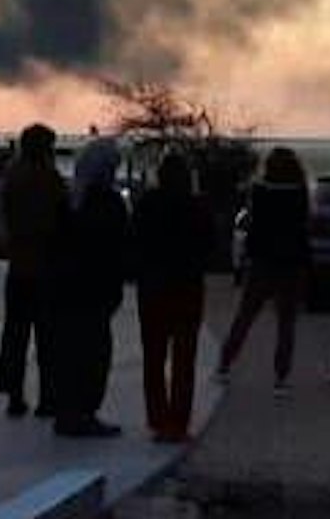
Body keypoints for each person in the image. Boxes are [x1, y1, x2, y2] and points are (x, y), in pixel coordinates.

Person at [47, 134, 130, 437]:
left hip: (70, 291)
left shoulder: (70, 202)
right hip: (94, 293)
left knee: (72, 354)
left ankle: (69, 410)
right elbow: (118, 249)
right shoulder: (108, 204)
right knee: (93, 356)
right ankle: (82, 412)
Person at [216, 146, 311, 398]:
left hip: (262, 262)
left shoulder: (259, 192)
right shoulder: (300, 193)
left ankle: (224, 364)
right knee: (286, 324)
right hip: (290, 263)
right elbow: (302, 228)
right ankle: (281, 378)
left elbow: (254, 226)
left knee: (245, 316)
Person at [132, 152, 214, 442]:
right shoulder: (197, 207)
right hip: (187, 288)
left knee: (153, 358)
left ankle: (157, 418)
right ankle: (178, 422)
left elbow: (136, 243)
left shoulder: (146, 204)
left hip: (153, 288)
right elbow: (210, 247)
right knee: (184, 358)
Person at [0, 123, 67, 418]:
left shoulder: (12, 178)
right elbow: (61, 219)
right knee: (48, 337)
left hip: (19, 266)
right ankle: (48, 397)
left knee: (15, 334)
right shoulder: (49, 179)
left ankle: (14, 394)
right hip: (46, 267)